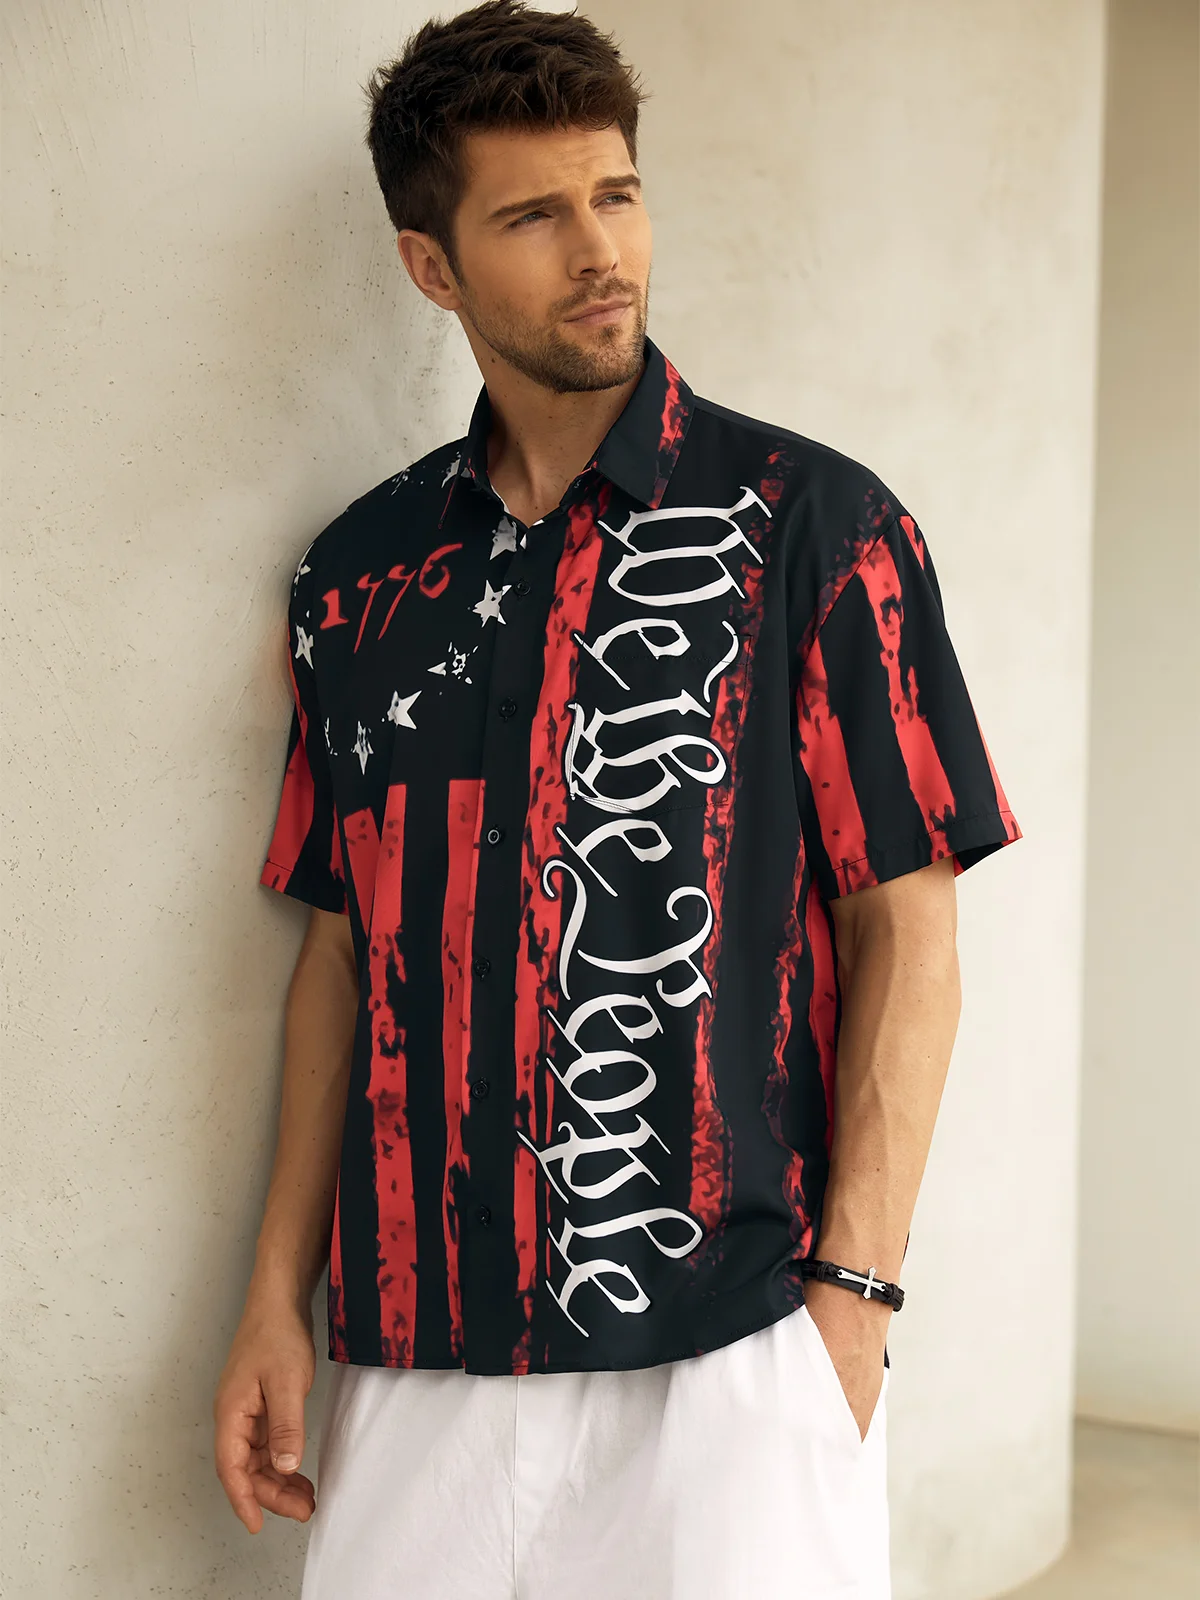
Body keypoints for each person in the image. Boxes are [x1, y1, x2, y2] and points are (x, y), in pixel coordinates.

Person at [213, 3, 1023, 1595]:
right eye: (533, 215)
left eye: (618, 194)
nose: (600, 251)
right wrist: (272, 1299)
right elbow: (342, 954)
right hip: (418, 1362)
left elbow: (907, 926)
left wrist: (852, 1305)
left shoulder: (817, 528)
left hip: (733, 1354)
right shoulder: (356, 580)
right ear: (432, 267)